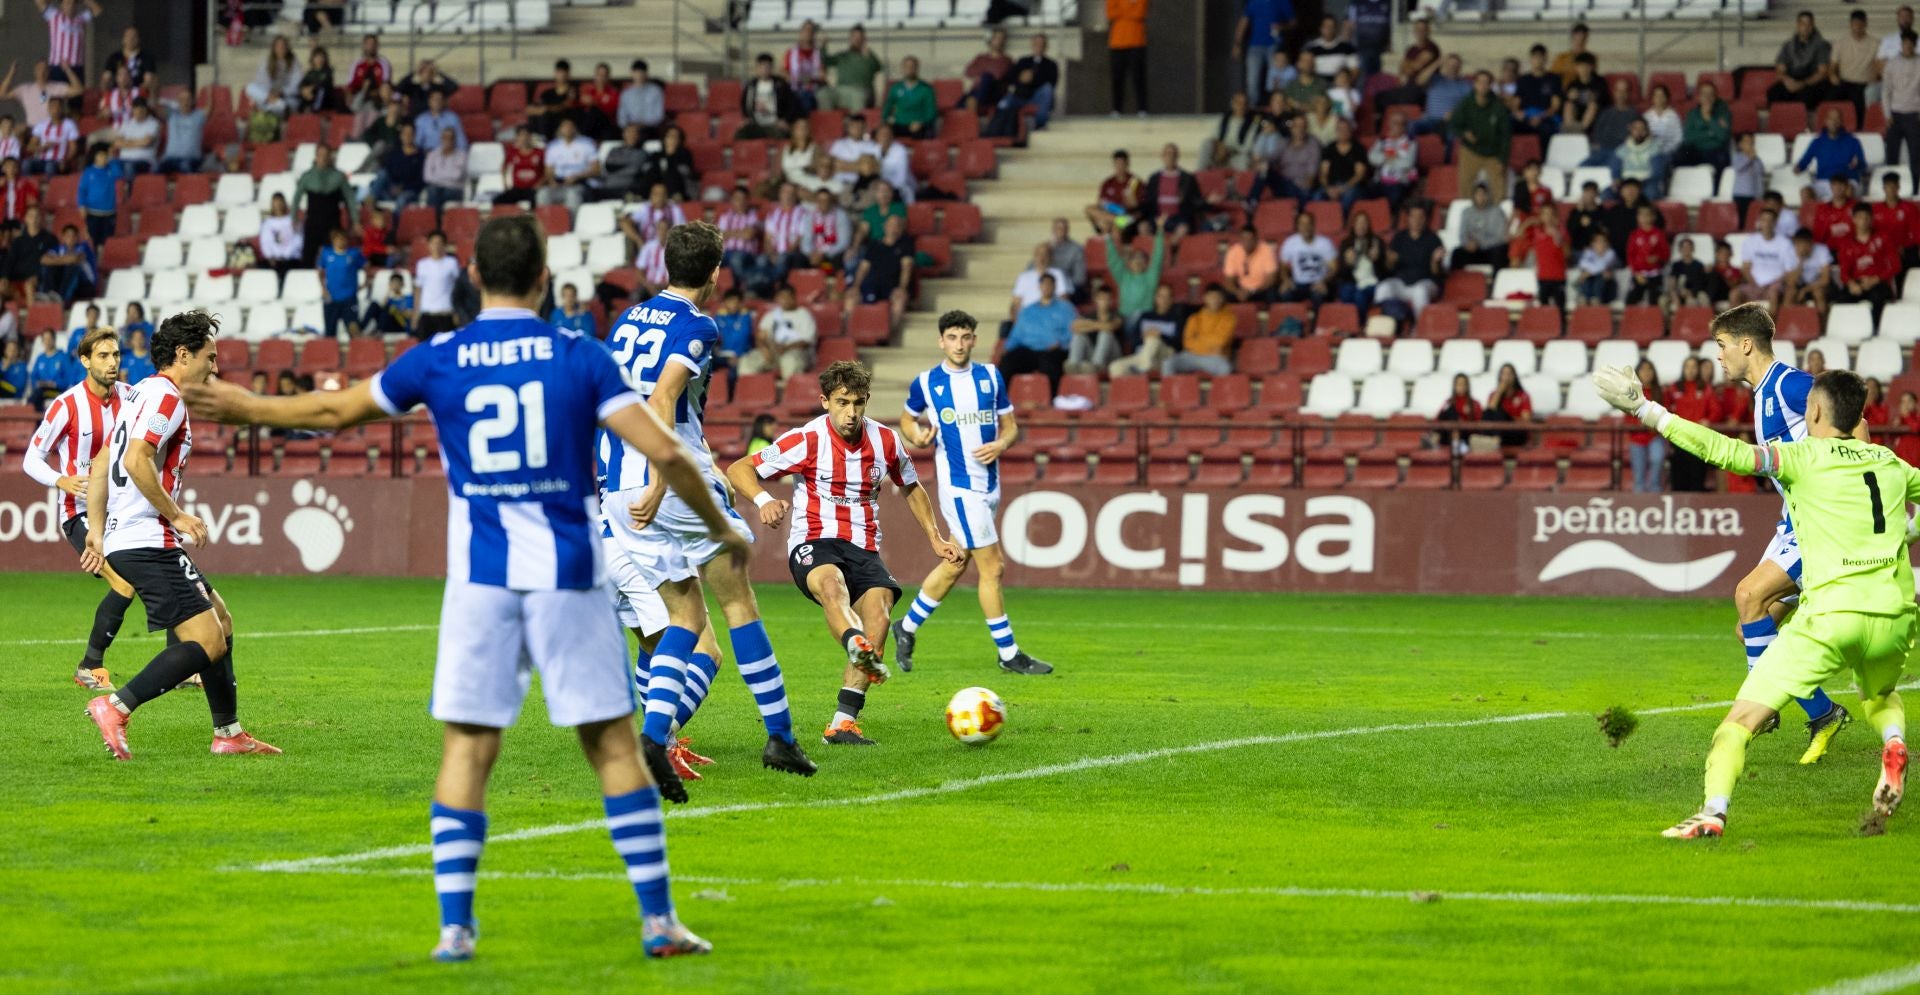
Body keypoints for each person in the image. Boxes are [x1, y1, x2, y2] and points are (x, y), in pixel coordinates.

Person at [177, 216, 736, 959]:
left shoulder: (441, 356)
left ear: (473, 277)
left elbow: (333, 410)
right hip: (569, 575)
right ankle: (659, 921)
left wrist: (247, 407)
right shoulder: (580, 354)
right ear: (543, 277)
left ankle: (455, 928)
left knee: (468, 749)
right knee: (612, 746)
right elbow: (664, 447)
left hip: (482, 581)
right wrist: (722, 528)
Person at [1592, 362, 1913, 839]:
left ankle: (1712, 812)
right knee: (1881, 695)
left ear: (1816, 412)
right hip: (1894, 617)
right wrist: (1908, 530)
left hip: (1831, 617)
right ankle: (1894, 742)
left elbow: (1724, 451)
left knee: (1737, 724)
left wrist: (1646, 409)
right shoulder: (1891, 464)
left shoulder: (1801, 457)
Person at [595, 220, 816, 798]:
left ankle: (654, 738)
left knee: (684, 619)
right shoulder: (698, 324)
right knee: (738, 603)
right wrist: (662, 479)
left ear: (666, 264)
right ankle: (780, 737)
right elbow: (664, 396)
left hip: (616, 483)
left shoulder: (626, 320)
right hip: (668, 480)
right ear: (716, 272)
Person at [727, 358, 962, 747]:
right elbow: (739, 469)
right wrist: (764, 499)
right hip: (814, 540)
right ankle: (854, 642)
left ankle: (842, 723)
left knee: (880, 617)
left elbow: (911, 486)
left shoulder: (886, 441)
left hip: (863, 546)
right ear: (825, 401)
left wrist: (936, 538)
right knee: (832, 587)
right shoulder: (807, 439)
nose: (851, 413)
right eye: (842, 402)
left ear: (866, 400)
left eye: (858, 403)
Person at [78, 311, 276, 765]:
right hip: (147, 538)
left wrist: (96, 530)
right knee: (207, 642)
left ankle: (229, 733)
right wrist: (177, 514)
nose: (215, 368)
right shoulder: (167, 397)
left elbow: (104, 461)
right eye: (210, 357)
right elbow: (135, 459)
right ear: (183, 355)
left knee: (220, 621)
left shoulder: (138, 393)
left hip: (131, 536)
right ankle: (115, 706)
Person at [1697, 303, 1873, 765]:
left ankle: (1762, 704)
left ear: (1746, 345)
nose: (1718, 356)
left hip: (1819, 526)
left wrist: (1858, 479)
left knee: (1748, 594)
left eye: (1722, 345)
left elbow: (1855, 421)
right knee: (1749, 628)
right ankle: (1823, 712)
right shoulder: (1762, 395)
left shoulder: (1788, 384)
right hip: (1792, 522)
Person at [892, 309, 1053, 679]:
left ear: (974, 340)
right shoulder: (927, 382)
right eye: (952, 337)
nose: (959, 344)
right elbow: (906, 419)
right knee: (993, 567)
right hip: (960, 489)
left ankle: (906, 626)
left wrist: (1001, 444)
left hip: (989, 485)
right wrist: (916, 436)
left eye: (965, 337)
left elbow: (1011, 426)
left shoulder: (991, 376)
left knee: (955, 563)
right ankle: (1008, 653)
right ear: (941, 341)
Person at [22, 326, 135, 689]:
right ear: (85, 361)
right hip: (79, 513)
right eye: (103, 356)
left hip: (122, 511)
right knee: (123, 584)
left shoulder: (131, 398)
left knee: (156, 572)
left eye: (115, 355)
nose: (112, 362)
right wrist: (61, 480)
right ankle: (89, 667)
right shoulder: (67, 405)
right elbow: (31, 458)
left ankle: (184, 666)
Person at [1001, 273, 1074, 394]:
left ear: (1054, 286)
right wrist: (1007, 348)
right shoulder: (1028, 310)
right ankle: (1000, 400)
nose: (1046, 287)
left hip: (1053, 350)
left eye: (1049, 284)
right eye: (1043, 284)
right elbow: (1017, 334)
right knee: (1008, 362)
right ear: (1039, 287)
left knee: (1050, 365)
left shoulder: (1066, 309)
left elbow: (1073, 330)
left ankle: (1052, 399)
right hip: (1029, 350)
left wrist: (1061, 342)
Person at [1449, 71, 1511, 201]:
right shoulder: (1466, 103)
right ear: (1475, 84)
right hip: (1471, 151)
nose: (1483, 85)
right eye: (1480, 82)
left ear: (1490, 85)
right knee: (1465, 186)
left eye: (1486, 82)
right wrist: (1464, 133)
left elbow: (1506, 136)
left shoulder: (1498, 106)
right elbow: (1454, 125)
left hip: (1493, 153)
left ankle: (1497, 211)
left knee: (1499, 189)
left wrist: (1503, 159)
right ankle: (1466, 210)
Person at [849, 213, 914, 336]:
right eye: (891, 225)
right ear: (885, 227)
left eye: (897, 225)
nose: (894, 228)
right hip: (872, 284)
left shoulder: (906, 245)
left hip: (892, 286)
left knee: (899, 300)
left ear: (901, 228)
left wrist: (902, 288)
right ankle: (851, 336)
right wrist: (856, 286)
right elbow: (863, 268)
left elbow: (906, 268)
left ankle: (888, 335)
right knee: (851, 298)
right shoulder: (874, 245)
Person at [1374, 202, 1444, 316]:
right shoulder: (1399, 238)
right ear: (1408, 219)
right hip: (1402, 283)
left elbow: (1437, 273)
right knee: (1383, 288)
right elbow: (1389, 267)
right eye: (1413, 216)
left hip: (1425, 283)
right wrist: (1389, 260)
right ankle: (1386, 322)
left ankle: (1420, 325)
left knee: (1420, 292)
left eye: (1420, 217)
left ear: (1425, 219)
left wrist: (1435, 261)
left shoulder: (1433, 239)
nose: (1417, 220)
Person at [295, 144, 357, 268]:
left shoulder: (339, 177)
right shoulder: (307, 177)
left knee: (334, 258)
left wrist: (355, 220)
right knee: (308, 258)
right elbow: (296, 198)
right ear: (316, 157)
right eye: (320, 155)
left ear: (330, 157)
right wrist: (293, 217)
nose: (323, 158)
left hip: (332, 224)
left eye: (326, 155)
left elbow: (350, 199)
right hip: (313, 224)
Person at [1834, 204, 1899, 321]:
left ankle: (1876, 329)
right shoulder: (1846, 243)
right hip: (1857, 283)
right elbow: (1844, 272)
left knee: (1877, 298)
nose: (1863, 221)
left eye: (1866, 217)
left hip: (1879, 282)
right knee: (1842, 299)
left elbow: (1896, 265)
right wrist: (1851, 284)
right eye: (1860, 217)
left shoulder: (1884, 238)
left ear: (1872, 219)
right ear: (1853, 219)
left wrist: (1875, 279)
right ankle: (1849, 328)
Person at [1664, 356, 1719, 492]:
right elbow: (1665, 409)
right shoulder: (1674, 388)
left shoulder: (1706, 388)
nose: (1690, 370)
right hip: (1678, 439)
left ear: (1698, 369)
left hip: (1698, 440)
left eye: (1694, 367)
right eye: (1687, 366)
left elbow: (1716, 410)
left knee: (1697, 480)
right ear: (1683, 369)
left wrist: (1708, 420)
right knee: (1679, 482)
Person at [741, 283, 816, 380]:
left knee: (790, 361)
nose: (785, 300)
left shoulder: (804, 315)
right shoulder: (771, 315)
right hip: (773, 351)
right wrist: (764, 348)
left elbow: (806, 341)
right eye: (782, 297)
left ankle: (788, 389)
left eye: (788, 297)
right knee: (746, 361)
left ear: (794, 298)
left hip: (796, 352)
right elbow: (760, 336)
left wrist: (785, 348)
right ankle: (751, 389)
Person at [990, 34, 1060, 134]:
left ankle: (1040, 124)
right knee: (1004, 103)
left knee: (1047, 89)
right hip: (1020, 96)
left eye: (1041, 44)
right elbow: (1010, 78)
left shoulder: (1051, 64)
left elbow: (1052, 83)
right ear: (1032, 45)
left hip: (1037, 98)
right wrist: (1020, 78)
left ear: (1046, 47)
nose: (1038, 46)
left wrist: (1033, 79)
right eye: (1036, 44)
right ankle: (996, 128)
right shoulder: (1023, 61)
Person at [1729, 209, 1797, 310]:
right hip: (1754, 285)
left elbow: (1788, 272)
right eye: (1764, 220)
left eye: (1770, 220)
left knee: (1773, 292)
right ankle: (1737, 321)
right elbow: (1746, 268)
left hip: (1775, 286)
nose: (1767, 223)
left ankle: (1771, 321)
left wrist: (1771, 284)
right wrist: (1755, 285)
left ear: (1775, 223)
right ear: (1759, 222)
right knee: (1734, 294)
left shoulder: (1785, 243)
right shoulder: (1750, 242)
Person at [1164, 284, 1235, 376]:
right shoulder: (1194, 318)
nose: (1215, 300)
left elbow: (1220, 342)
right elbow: (1187, 342)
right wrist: (1210, 345)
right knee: (1168, 363)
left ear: (1222, 299)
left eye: (1218, 297)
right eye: (1211, 297)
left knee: (1225, 368)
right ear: (1205, 298)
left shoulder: (1229, 319)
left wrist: (1198, 338)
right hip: (1192, 355)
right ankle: (1173, 386)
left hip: (1215, 357)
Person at [1797, 109, 1868, 198]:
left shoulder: (1853, 141)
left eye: (1837, 119)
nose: (1834, 122)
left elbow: (1863, 166)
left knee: (1849, 190)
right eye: (1831, 119)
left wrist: (1857, 164)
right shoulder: (1817, 142)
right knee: (1805, 192)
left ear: (1841, 122)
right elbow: (1804, 162)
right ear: (1826, 121)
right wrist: (1798, 168)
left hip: (1846, 181)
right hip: (1823, 182)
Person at [1511, 202, 1568, 308]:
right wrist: (1530, 221)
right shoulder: (1536, 231)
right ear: (1541, 216)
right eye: (1545, 214)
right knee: (1543, 309)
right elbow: (1519, 234)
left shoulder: (1561, 229)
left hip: (1558, 276)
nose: (1548, 217)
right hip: (1543, 276)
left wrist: (1555, 232)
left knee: (1560, 309)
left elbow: (1565, 250)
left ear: (1555, 216)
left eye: (1551, 214)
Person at [1771, 11, 1833, 109]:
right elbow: (1780, 69)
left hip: (1812, 82)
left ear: (1813, 26)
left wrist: (1803, 84)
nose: (1806, 27)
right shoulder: (1788, 45)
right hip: (1792, 79)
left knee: (1806, 96)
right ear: (1797, 25)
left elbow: (1823, 72)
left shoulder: (1822, 45)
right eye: (1803, 24)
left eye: (1809, 24)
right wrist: (1787, 81)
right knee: (1774, 93)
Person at [537, 118, 600, 213]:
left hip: (580, 183)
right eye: (565, 127)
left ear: (575, 128)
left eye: (570, 126)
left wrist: (577, 177)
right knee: (543, 194)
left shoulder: (587, 144)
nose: (568, 129)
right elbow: (548, 170)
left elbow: (596, 170)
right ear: (560, 129)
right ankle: (545, 221)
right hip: (560, 183)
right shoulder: (553, 146)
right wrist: (552, 181)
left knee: (572, 194)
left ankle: (571, 221)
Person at [1235, 0, 1289, 104]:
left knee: (1276, 78)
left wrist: (1282, 26)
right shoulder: (1253, 2)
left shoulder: (1282, 1)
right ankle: (1252, 106)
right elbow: (1243, 22)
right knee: (1252, 80)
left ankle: (1277, 106)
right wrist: (1237, 44)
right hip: (1255, 46)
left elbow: (1293, 21)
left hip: (1274, 46)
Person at [318, 228, 367, 338]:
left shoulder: (354, 253)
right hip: (331, 297)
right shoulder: (326, 253)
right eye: (338, 239)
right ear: (333, 240)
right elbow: (320, 272)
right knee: (330, 333)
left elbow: (366, 266)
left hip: (349, 297)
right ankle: (330, 349)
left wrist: (365, 283)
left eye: (343, 239)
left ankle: (356, 348)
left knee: (353, 329)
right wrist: (323, 289)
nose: (340, 241)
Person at [1831, 10, 1878, 122]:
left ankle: (1859, 127)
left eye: (1861, 23)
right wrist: (1832, 75)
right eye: (1855, 23)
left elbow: (1878, 66)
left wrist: (1875, 79)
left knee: (1859, 98)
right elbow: (1833, 65)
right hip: (1844, 81)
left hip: (1865, 83)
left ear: (1865, 24)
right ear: (1850, 24)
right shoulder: (1840, 42)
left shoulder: (1875, 43)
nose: (1858, 26)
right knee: (1830, 97)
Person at [739, 53, 799, 141]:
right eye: (762, 67)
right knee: (740, 134)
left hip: (774, 124)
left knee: (784, 135)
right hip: (756, 123)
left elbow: (791, 104)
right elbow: (744, 103)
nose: (764, 70)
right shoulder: (751, 85)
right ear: (757, 68)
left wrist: (785, 120)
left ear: (771, 68)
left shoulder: (780, 84)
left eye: (767, 67)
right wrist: (747, 118)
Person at [1887, 32, 1920, 185]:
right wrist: (1887, 114)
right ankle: (1890, 188)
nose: (1907, 47)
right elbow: (1886, 90)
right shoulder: (1892, 63)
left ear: (1914, 45)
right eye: (1904, 43)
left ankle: (1914, 189)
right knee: (1891, 155)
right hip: (1895, 114)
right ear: (1901, 45)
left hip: (1914, 114)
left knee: (1915, 155)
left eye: (1910, 44)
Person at [1675, 81, 1732, 170]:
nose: (1707, 97)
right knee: (1679, 155)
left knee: (1723, 158)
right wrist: (1711, 134)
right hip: (1696, 151)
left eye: (1711, 94)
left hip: (1715, 151)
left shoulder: (1723, 113)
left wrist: (1708, 118)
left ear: (1715, 97)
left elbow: (1723, 137)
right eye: (1704, 94)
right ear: (1699, 97)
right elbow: (1688, 138)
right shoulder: (1692, 114)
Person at [1627, 359, 1665, 492]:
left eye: (1649, 369)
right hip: (1637, 438)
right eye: (1643, 369)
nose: (1646, 372)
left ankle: (1655, 492)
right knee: (1639, 479)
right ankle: (1639, 501)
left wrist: (1656, 423)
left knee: (1657, 460)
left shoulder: (1661, 392)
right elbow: (1627, 417)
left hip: (1655, 436)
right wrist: (1642, 422)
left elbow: (1667, 413)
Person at [414, 230, 461, 337]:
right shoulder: (422, 264)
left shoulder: (451, 263)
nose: (436, 246)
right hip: (427, 314)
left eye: (440, 243)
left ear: (445, 245)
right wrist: (415, 314)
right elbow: (418, 289)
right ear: (428, 245)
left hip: (445, 313)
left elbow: (457, 287)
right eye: (433, 243)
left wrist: (457, 311)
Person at [1067, 285, 1123, 374]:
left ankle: (1096, 365)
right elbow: (1074, 327)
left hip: (1112, 356)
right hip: (1093, 354)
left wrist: (1088, 324)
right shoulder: (1090, 315)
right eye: (1102, 299)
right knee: (1079, 336)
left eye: (1107, 299)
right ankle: (1073, 364)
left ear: (1111, 301)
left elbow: (1110, 326)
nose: (1104, 302)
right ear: (1096, 300)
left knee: (1105, 334)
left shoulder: (1117, 314)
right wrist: (1099, 325)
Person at [1367, 110, 1417, 210]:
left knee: (1394, 196)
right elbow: (1372, 157)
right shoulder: (1382, 141)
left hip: (1399, 182)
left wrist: (1384, 159)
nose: (1393, 126)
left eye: (1398, 123)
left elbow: (1407, 163)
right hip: (1380, 181)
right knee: (1365, 194)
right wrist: (1390, 157)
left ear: (1404, 127)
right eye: (1392, 123)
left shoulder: (1411, 143)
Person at [1451, 183, 1508, 270]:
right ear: (1473, 196)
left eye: (1483, 194)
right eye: (1478, 194)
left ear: (1488, 196)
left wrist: (1480, 243)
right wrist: (1467, 244)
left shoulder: (1497, 212)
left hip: (1490, 250)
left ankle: (1496, 278)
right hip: (1473, 250)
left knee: (1499, 252)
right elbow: (1462, 234)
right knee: (1457, 253)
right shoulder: (1466, 212)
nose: (1481, 197)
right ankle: (1457, 278)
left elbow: (1500, 237)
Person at [1107, 0, 1148, 116]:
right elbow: (1111, 13)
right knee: (1117, 78)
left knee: (1139, 77)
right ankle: (1116, 109)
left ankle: (1142, 109)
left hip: (1137, 41)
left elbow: (1140, 13)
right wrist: (1130, 6)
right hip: (1117, 42)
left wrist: (1121, 8)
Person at [1624, 204, 1670, 306]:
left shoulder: (1659, 234)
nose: (1644, 218)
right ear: (1637, 217)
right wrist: (1636, 273)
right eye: (1641, 215)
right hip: (1639, 274)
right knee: (1630, 301)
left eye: (1647, 215)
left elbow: (1666, 254)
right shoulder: (1634, 235)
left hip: (1655, 274)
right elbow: (1630, 255)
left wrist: (1658, 257)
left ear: (1653, 217)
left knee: (1655, 301)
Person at [1337, 211, 1384, 310]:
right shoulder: (1346, 244)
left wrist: (1377, 260)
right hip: (1353, 281)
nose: (1361, 226)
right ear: (1353, 225)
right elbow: (1341, 273)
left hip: (1372, 282)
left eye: (1364, 223)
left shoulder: (1377, 242)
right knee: (1345, 293)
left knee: (1359, 295)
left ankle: (1361, 319)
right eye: (1358, 223)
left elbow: (1385, 271)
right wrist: (1348, 264)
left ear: (1368, 225)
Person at [881, 56, 937, 139]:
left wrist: (921, 123)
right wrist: (885, 121)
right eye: (907, 66)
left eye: (912, 66)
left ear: (917, 68)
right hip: (899, 124)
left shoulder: (926, 89)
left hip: (918, 126)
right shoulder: (896, 88)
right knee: (882, 134)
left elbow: (931, 112)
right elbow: (887, 107)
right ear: (902, 68)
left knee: (920, 133)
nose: (909, 69)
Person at [247, 35, 301, 117]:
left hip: (286, 97)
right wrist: (270, 95)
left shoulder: (294, 62)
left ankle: (268, 110)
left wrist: (281, 93)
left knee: (292, 103)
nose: (281, 48)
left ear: (287, 48)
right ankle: (272, 107)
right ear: (274, 48)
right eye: (278, 46)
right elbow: (261, 82)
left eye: (283, 46)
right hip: (270, 97)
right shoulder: (267, 61)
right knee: (250, 87)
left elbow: (296, 85)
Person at [1224, 225, 1280, 303]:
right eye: (1244, 239)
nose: (1247, 242)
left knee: (1272, 294)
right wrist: (1237, 292)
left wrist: (1253, 291)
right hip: (1241, 289)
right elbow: (1229, 280)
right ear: (1240, 239)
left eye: (1250, 239)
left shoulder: (1266, 250)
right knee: (1224, 295)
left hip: (1260, 288)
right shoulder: (1233, 251)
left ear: (1256, 239)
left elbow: (1271, 279)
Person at [1783, 229, 1834, 312]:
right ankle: (1788, 319)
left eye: (1805, 244)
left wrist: (1805, 290)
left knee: (1818, 293)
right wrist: (1801, 262)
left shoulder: (1822, 250)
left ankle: (1822, 319)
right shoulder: (1789, 253)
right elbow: (1790, 281)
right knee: (1790, 293)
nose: (1802, 248)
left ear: (1811, 243)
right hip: (1800, 284)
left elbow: (1825, 279)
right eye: (1798, 244)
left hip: (1817, 284)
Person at [1483, 363, 1533, 448]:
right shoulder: (1494, 394)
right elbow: (1489, 413)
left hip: (1516, 432)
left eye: (1509, 374)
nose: (1506, 377)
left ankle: (1494, 441)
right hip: (1499, 432)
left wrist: (1508, 418)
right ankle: (1494, 441)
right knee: (1490, 412)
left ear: (1514, 377)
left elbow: (1526, 420)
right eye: (1504, 374)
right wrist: (1499, 391)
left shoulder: (1523, 396)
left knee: (1501, 414)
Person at [25, 97, 78, 176]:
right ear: (49, 109)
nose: (55, 109)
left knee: (49, 166)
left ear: (62, 109)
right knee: (26, 164)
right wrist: (42, 148)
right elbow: (30, 147)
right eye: (53, 106)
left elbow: (73, 148)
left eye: (58, 106)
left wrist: (66, 161)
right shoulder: (41, 124)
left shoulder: (69, 124)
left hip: (58, 161)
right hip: (40, 161)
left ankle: (49, 184)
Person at [494, 127, 545, 207]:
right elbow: (504, 167)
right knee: (497, 201)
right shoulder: (513, 152)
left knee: (535, 203)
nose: (524, 138)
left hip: (533, 189)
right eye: (521, 135)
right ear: (517, 138)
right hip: (517, 189)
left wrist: (539, 184)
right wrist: (505, 184)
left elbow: (547, 172)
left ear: (530, 136)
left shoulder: (540, 152)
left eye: (526, 135)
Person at [422, 127, 468, 216]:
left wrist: (437, 176)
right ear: (441, 139)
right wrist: (447, 176)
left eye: (450, 138)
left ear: (455, 140)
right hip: (437, 189)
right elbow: (427, 177)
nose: (448, 140)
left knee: (439, 193)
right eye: (445, 138)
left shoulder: (461, 156)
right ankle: (434, 221)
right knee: (433, 192)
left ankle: (438, 221)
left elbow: (457, 176)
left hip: (454, 189)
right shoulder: (433, 155)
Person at [784, 20, 827, 113]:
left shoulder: (818, 54)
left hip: (814, 92)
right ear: (801, 33)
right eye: (806, 30)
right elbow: (786, 76)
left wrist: (799, 78)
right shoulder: (791, 53)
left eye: (811, 30)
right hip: (795, 91)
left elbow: (822, 76)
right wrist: (810, 78)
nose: (808, 33)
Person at [1558, 54, 1605, 137]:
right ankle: (1569, 130)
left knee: (1593, 105)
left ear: (1592, 67)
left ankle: (1581, 131)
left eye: (1586, 66)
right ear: (1576, 68)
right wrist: (1569, 97)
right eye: (1581, 66)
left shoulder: (1599, 82)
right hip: (1576, 114)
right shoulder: (1573, 84)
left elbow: (1605, 100)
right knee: (1568, 105)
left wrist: (1595, 97)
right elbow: (1563, 102)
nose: (1584, 69)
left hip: (1592, 115)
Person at [259, 192, 303, 282]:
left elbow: (298, 241)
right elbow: (265, 242)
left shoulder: (294, 221)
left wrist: (286, 256)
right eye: (275, 204)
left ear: (284, 204)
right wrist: (270, 256)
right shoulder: (267, 223)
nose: (277, 207)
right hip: (274, 260)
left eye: (279, 203)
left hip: (291, 259)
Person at [156, 95, 205, 174]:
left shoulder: (198, 115)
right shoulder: (171, 114)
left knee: (185, 166)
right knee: (156, 168)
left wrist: (210, 92)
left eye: (188, 99)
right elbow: (155, 107)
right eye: (182, 99)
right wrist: (155, 93)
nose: (185, 102)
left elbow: (210, 108)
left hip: (190, 159)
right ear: (178, 102)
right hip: (169, 159)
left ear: (192, 101)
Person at [619, 59, 666, 139]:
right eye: (636, 72)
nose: (639, 75)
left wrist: (643, 124)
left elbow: (659, 115)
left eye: (641, 73)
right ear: (632, 73)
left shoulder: (656, 91)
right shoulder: (626, 94)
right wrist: (628, 126)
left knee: (642, 135)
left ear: (646, 74)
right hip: (630, 128)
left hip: (649, 128)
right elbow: (621, 117)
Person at [1435, 373, 1481, 452]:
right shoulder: (1449, 402)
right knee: (1450, 411)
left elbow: (1479, 423)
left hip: (1465, 433)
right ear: (1454, 386)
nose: (1461, 386)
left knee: (1453, 418)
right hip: (1448, 433)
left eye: (1463, 384)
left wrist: (1468, 415)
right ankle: (1454, 444)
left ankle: (1457, 445)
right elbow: (1438, 419)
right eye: (1458, 384)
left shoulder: (1474, 403)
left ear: (1467, 386)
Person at [712, 287, 754, 371]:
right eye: (730, 302)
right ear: (725, 302)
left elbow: (743, 338)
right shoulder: (718, 317)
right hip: (722, 355)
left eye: (736, 302)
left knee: (734, 371)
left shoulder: (745, 317)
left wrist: (737, 355)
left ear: (740, 303)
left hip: (741, 355)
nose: (733, 305)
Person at [298, 46, 338, 114]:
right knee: (303, 92)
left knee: (321, 90)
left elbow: (324, 83)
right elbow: (302, 84)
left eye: (321, 57)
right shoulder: (310, 73)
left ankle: (314, 109)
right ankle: (303, 110)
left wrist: (311, 88)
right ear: (313, 59)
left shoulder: (328, 71)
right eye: (317, 57)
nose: (319, 59)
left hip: (325, 99)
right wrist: (304, 90)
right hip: (310, 97)